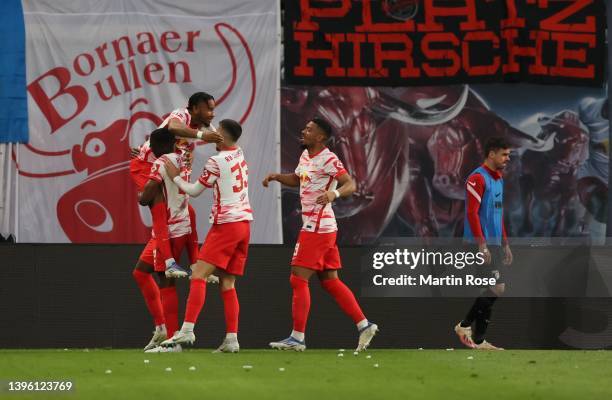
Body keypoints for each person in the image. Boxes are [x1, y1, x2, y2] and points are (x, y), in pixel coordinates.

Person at [263, 118, 378, 352]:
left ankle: (297, 338)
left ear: (320, 137)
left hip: (317, 225)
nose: (303, 131)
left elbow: (351, 184)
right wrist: (276, 177)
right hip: (322, 227)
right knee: (329, 281)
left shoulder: (329, 158)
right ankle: (364, 325)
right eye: (304, 127)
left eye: (309, 129)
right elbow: (298, 179)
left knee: (298, 278)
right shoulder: (305, 156)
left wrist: (333, 194)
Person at [161, 119, 252, 353]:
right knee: (228, 282)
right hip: (244, 224)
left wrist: (175, 176)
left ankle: (187, 329)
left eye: (216, 132)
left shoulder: (216, 161)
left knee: (198, 275)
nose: (212, 134)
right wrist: (210, 131)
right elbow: (223, 137)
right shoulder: (239, 153)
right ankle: (232, 339)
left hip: (226, 225)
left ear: (222, 136)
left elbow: (194, 191)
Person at [130, 92, 223, 278]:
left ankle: (195, 263)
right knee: (160, 211)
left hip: (164, 167)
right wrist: (202, 135)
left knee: (190, 213)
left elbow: (191, 146)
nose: (212, 114)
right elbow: (173, 127)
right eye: (209, 109)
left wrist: (192, 152)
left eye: (214, 109)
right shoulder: (182, 114)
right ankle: (169, 262)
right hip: (147, 167)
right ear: (195, 108)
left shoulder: (200, 127)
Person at [132, 127, 195, 353]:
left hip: (168, 232)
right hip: (179, 225)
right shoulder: (182, 159)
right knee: (141, 271)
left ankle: (172, 339)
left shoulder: (160, 162)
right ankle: (162, 329)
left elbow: (146, 195)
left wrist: (143, 194)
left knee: (166, 281)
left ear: (155, 147)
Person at [454, 137, 513, 350]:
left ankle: (478, 340)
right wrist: (481, 244)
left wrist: (505, 243)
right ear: (491, 154)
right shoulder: (477, 178)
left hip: (494, 243)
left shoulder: (498, 179)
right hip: (479, 243)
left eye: (509, 155)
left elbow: (499, 214)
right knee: (497, 287)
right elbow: (471, 213)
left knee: (492, 288)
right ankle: (464, 326)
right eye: (504, 154)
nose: (508, 158)